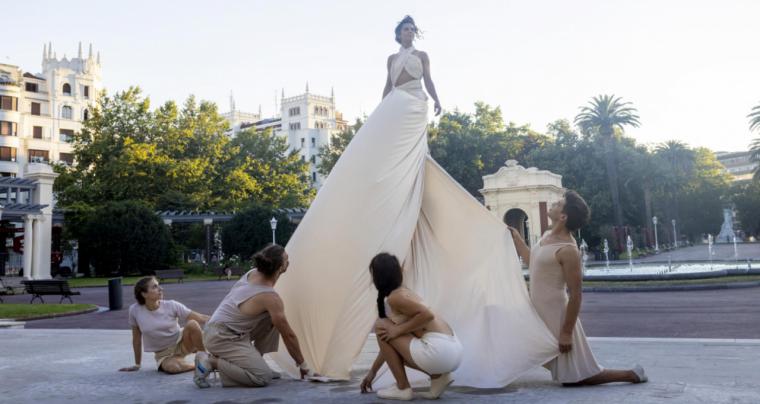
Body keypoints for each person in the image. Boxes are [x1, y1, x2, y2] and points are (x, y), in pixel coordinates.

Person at [269, 15, 558, 387]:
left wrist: (436, 101)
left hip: (417, 104)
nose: (408, 34)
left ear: (414, 34)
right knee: (394, 152)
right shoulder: (392, 60)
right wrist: (377, 120)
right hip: (398, 105)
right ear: (397, 35)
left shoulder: (422, 55)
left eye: (411, 30)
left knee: (414, 154)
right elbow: (387, 88)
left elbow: (431, 81)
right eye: (404, 31)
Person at [509, 190, 648, 385]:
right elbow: (534, 262)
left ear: (563, 216)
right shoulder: (547, 235)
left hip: (556, 318)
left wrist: (566, 332)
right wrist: (517, 240)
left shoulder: (568, 250)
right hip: (536, 312)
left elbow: (576, 294)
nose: (553, 203)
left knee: (577, 377)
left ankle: (631, 375)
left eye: (558, 203)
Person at [193, 244, 317, 388]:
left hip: (218, 330)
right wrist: (304, 366)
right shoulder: (270, 297)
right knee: (262, 377)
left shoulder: (253, 273)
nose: (288, 262)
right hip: (222, 337)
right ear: (279, 268)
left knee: (273, 318)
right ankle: (210, 361)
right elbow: (288, 335)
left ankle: (256, 362)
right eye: (286, 260)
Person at [360, 253, 462, 400]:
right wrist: (372, 372)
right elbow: (389, 343)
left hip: (439, 350)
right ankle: (439, 377)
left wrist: (397, 329)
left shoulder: (396, 297)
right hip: (452, 350)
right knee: (387, 332)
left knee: (381, 326)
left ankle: (403, 388)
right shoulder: (404, 293)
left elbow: (427, 315)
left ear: (377, 277)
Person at [119, 276, 209, 374]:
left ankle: (205, 360)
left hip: (182, 343)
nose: (161, 289)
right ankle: (199, 366)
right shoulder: (134, 310)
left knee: (192, 324)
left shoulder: (171, 305)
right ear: (144, 294)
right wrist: (137, 364)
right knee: (173, 368)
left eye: (159, 286)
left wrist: (221, 319)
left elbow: (200, 317)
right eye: (154, 287)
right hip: (163, 354)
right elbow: (136, 338)